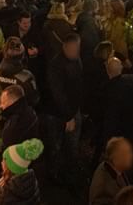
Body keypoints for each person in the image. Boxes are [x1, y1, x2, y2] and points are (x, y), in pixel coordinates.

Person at [45, 32, 83, 189]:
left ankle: (70, 173)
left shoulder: (76, 60)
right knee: (56, 146)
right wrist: (68, 117)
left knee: (72, 146)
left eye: (77, 49)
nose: (75, 52)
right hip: (59, 115)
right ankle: (53, 176)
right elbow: (57, 94)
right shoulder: (56, 65)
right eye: (73, 49)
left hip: (73, 111)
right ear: (64, 46)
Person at [94, 58, 133, 166]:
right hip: (129, 130)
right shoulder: (131, 85)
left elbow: (105, 115)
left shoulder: (105, 90)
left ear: (108, 71)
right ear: (121, 69)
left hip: (113, 132)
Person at [0, 85, 40, 180]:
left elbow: (5, 149)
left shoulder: (14, 123)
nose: (1, 106)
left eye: (3, 102)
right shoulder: (29, 111)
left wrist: (1, 175)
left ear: (12, 102)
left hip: (12, 172)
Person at [90, 137, 133, 205]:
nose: (131, 156)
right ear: (115, 156)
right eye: (126, 153)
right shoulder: (104, 180)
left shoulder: (118, 172)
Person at [0, 138, 44, 205]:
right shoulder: (32, 180)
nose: (1, 162)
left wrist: (1, 189)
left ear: (11, 167)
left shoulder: (9, 192)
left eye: (4, 160)